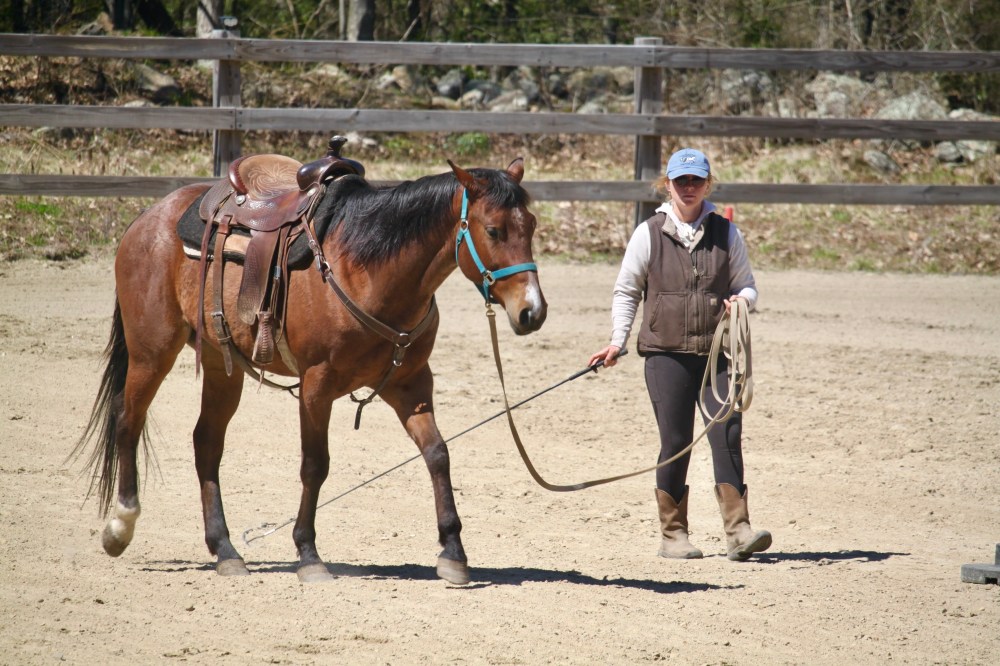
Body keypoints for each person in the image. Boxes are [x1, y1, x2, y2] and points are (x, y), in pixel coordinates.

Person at [588, 147, 772, 561]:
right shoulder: (648, 233)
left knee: (727, 433)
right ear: (667, 184)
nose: (689, 188)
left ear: (708, 184)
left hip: (716, 354)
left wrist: (741, 301)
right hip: (664, 354)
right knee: (676, 440)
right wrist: (617, 341)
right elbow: (627, 290)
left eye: (697, 181)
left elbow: (748, 285)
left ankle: (739, 531)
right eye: (681, 181)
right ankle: (673, 535)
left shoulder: (727, 233)